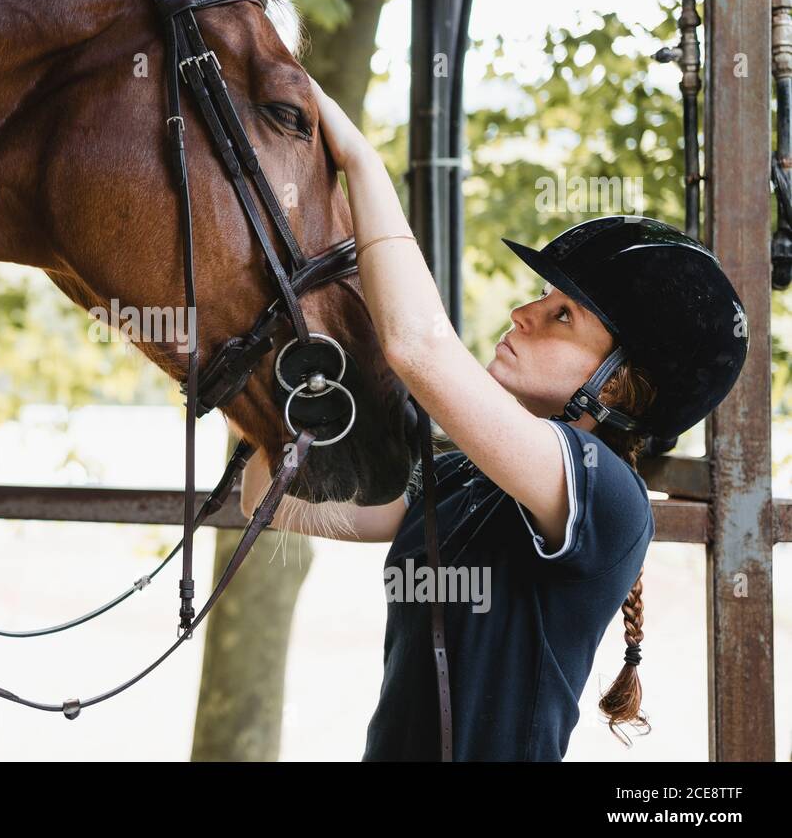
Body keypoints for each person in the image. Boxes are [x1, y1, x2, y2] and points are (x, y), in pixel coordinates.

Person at [239, 77, 749, 761]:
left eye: (562, 315)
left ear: (620, 383)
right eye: (540, 300)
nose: (522, 315)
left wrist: (358, 159)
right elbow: (270, 502)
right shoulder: (462, 482)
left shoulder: (606, 496)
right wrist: (260, 336)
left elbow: (419, 346)